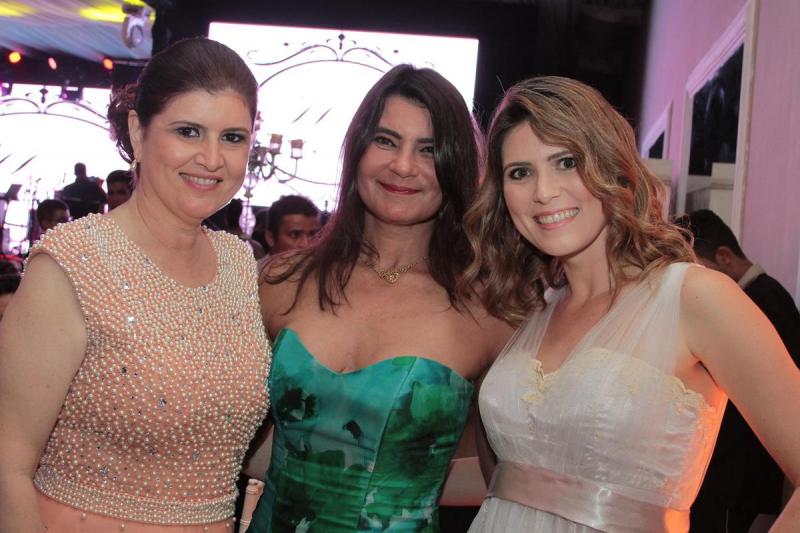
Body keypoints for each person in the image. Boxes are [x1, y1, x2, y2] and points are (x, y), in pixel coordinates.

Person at [459, 76, 800, 532]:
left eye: (566, 162)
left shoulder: (695, 297)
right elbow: (520, 481)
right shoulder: (530, 311)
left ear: (612, 167)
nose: (543, 192)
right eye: (520, 173)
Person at [0, 37, 271, 533]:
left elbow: (233, 432)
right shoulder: (73, 262)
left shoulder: (237, 263)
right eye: (188, 131)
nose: (212, 158)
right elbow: (6, 466)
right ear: (137, 132)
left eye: (233, 137)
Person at [247, 64, 511, 532]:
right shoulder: (280, 280)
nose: (403, 166)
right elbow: (234, 441)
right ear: (358, 149)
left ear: (455, 165)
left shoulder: (489, 309)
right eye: (386, 141)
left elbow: (506, 479)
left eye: (428, 149)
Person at [682, 209, 800, 532]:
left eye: (696, 269)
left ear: (724, 257)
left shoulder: (763, 301)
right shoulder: (759, 296)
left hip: (738, 481)